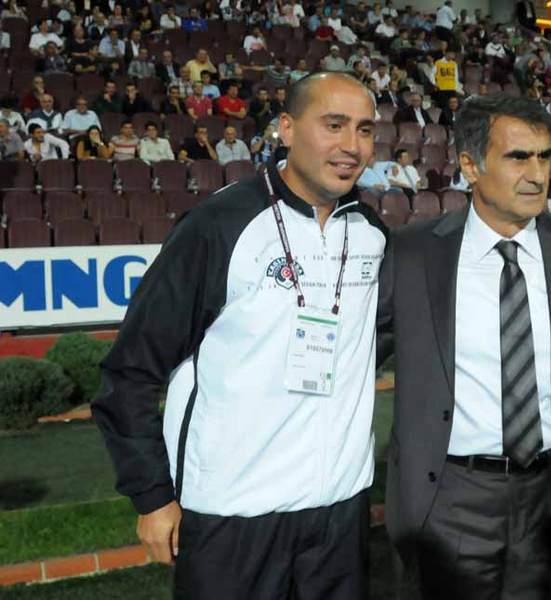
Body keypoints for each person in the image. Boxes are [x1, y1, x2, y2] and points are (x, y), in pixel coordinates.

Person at [92, 71, 386, 599]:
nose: (351, 145)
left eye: (364, 130)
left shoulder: (370, 233)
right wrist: (152, 495)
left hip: (339, 511)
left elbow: (378, 340)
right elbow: (130, 370)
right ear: (286, 128)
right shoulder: (219, 224)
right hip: (232, 511)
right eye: (334, 125)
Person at [377, 94, 551, 599]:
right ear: (470, 166)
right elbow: (356, 354)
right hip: (448, 496)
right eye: (518, 158)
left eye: (544, 156)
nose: (537, 175)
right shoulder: (413, 253)